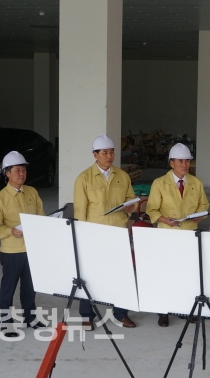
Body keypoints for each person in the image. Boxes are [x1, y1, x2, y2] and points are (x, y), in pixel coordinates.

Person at [74, 134, 138, 330]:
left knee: (120, 274)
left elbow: (131, 200)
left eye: (111, 152)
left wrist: (131, 207)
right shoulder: (84, 178)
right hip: (94, 234)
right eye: (104, 153)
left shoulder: (122, 176)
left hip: (118, 232)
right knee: (89, 275)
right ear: (95, 155)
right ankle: (87, 316)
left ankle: (120, 314)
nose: (109, 156)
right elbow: (80, 212)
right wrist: (82, 237)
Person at [146, 143, 209, 327]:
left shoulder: (196, 183)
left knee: (186, 274)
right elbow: (152, 210)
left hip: (189, 234)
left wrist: (200, 215)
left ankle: (185, 310)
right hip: (168, 235)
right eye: (180, 161)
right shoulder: (159, 183)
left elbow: (204, 205)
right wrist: (164, 219)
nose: (185, 165)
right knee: (166, 274)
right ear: (171, 163)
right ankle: (163, 312)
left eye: (187, 161)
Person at [0, 151, 47, 337]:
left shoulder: (32, 192)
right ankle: (6, 322)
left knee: (29, 287)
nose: (22, 174)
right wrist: (10, 231)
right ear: (7, 173)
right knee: (9, 288)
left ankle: (30, 317)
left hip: (32, 249)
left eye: (24, 170)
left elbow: (41, 217)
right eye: (17, 170)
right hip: (12, 251)